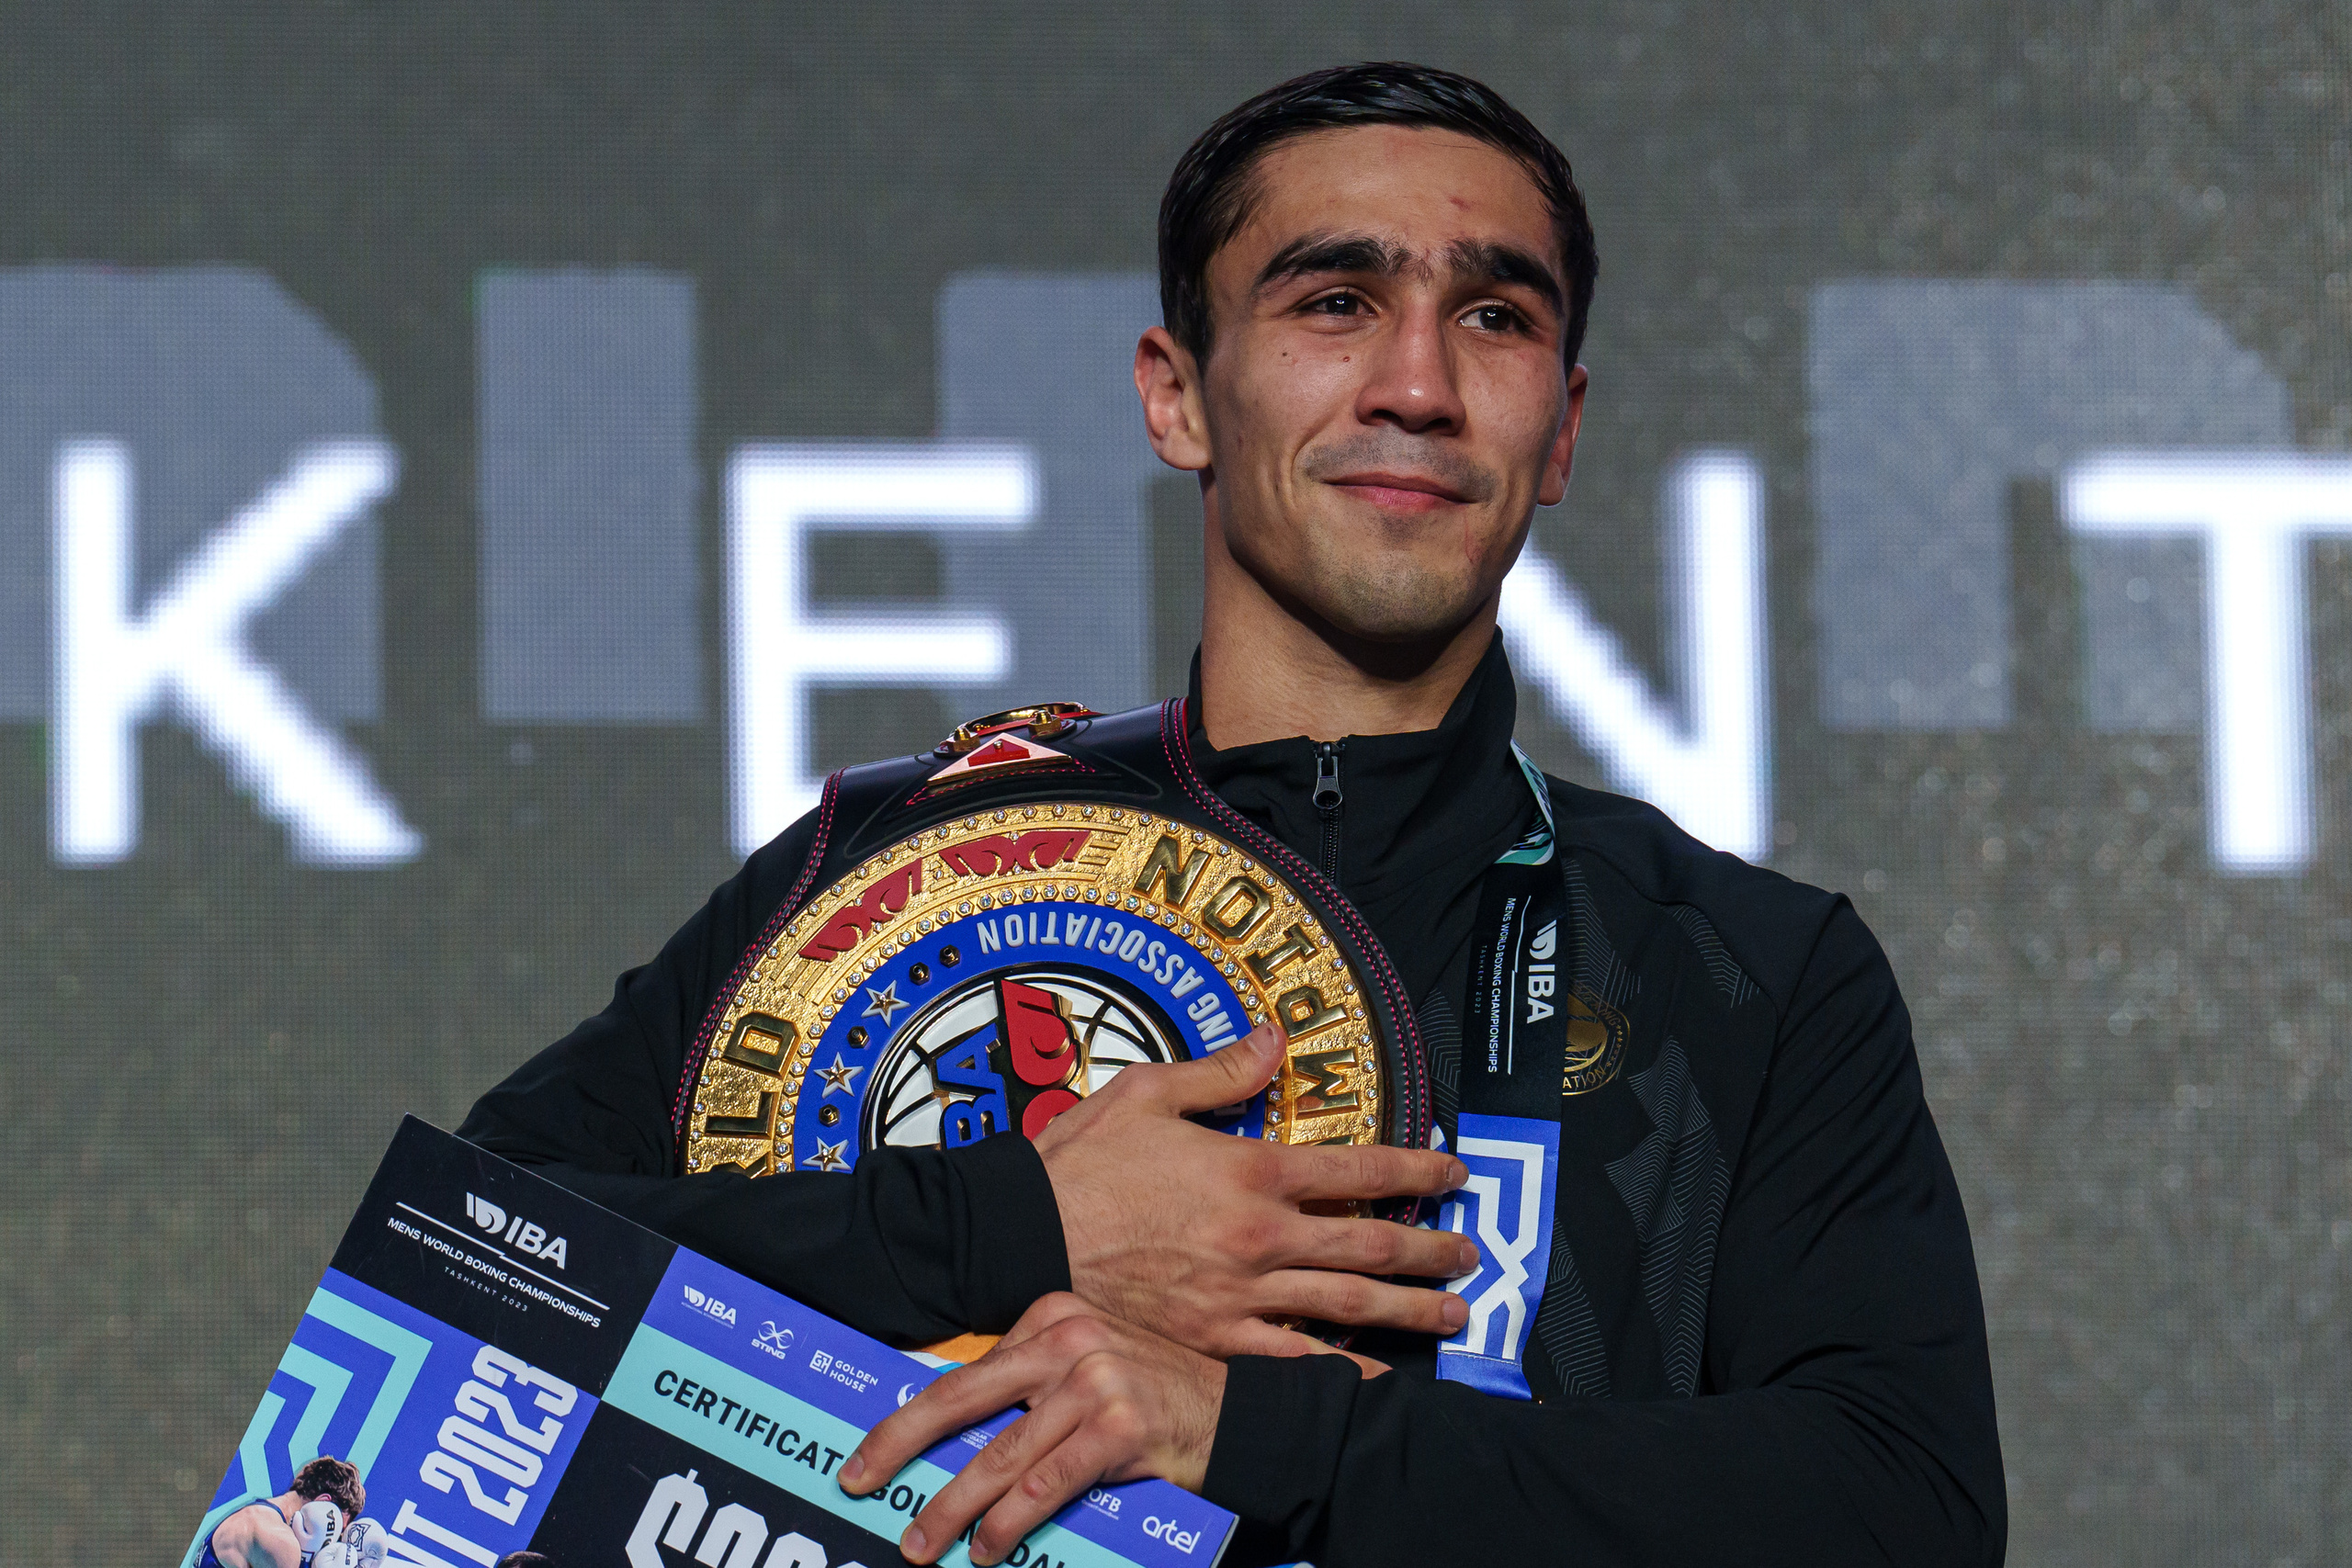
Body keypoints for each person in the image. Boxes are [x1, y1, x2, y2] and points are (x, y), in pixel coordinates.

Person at [461, 62, 2003, 1568]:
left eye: (1495, 316)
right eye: (1334, 303)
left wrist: (1265, 1436)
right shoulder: (892, 873)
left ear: (1566, 430)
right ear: (1179, 395)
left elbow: (1905, 1505)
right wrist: (1007, 1226)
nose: (1417, 382)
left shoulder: (1747, 972)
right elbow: (464, 1268)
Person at [197, 1458, 365, 1568]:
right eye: (336, 1529)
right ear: (324, 1504)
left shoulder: (259, 1513)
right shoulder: (282, 1542)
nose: (333, 1541)